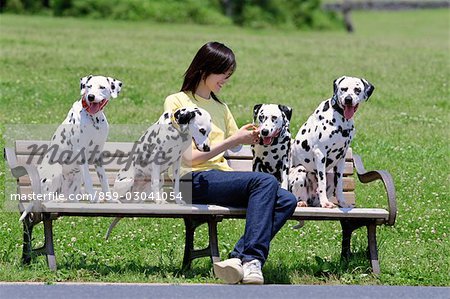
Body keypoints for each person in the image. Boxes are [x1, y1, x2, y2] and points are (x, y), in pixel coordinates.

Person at [163, 41, 297, 285]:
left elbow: (235, 144)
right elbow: (189, 157)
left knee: (287, 199)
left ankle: (237, 260)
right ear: (204, 69)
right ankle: (253, 260)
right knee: (265, 182)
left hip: (217, 179)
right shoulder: (177, 102)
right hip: (189, 181)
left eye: (228, 75)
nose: (225, 80)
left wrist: (248, 136)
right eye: (222, 74)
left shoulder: (220, 107)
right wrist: (231, 141)